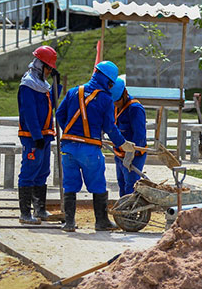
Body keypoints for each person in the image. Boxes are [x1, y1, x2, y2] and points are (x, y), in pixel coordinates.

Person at [56, 61, 136, 232]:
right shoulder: (105, 99)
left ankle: (69, 223)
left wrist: (71, 133)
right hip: (89, 150)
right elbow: (109, 126)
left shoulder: (73, 92)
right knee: (97, 184)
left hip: (68, 147)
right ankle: (101, 221)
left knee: (70, 185)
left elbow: (59, 114)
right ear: (108, 81)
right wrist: (122, 143)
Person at [17, 46, 61, 224]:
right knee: (29, 171)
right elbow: (29, 113)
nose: (50, 71)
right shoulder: (28, 85)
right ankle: (25, 213)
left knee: (43, 171)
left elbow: (53, 104)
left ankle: (40, 209)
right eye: (48, 68)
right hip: (33, 137)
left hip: (45, 135)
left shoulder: (42, 85)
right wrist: (36, 136)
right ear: (39, 65)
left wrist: (57, 84)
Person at [110, 77, 147, 198]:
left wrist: (131, 154)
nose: (115, 104)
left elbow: (140, 136)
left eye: (117, 101)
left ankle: (131, 213)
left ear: (125, 94)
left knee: (130, 186)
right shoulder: (115, 106)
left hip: (134, 156)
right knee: (121, 184)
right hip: (119, 154)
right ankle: (124, 211)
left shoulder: (135, 109)